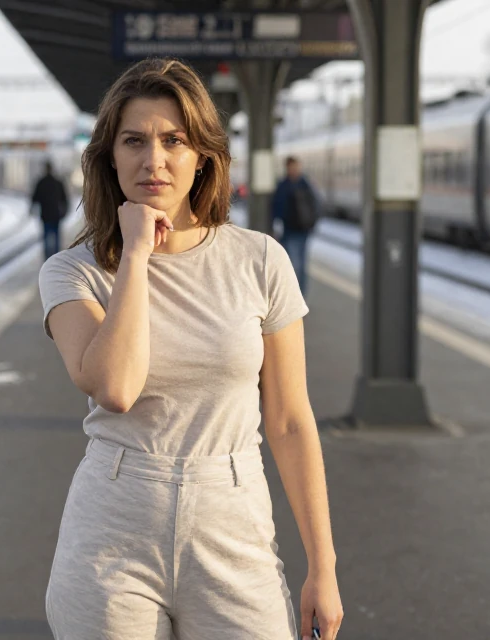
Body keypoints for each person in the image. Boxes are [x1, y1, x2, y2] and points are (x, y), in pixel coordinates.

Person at [38, 58, 344, 640]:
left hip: (233, 523)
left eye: (173, 140)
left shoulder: (260, 261)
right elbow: (116, 387)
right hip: (113, 528)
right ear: (109, 156)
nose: (153, 159)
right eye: (134, 141)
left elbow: (288, 420)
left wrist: (322, 568)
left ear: (202, 155)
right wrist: (133, 255)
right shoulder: (72, 274)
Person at [272, 156, 320, 295]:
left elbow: (276, 207)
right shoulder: (304, 183)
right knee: (296, 263)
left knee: (298, 264)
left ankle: (298, 296)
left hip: (299, 229)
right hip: (290, 229)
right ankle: (297, 295)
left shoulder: (289, 184)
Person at [31, 161, 70, 260]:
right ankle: (56, 258)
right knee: (56, 237)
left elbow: (34, 198)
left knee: (46, 238)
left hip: (45, 215)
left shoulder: (41, 182)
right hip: (56, 215)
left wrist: (32, 208)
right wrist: (65, 212)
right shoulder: (58, 182)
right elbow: (65, 199)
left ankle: (47, 259)